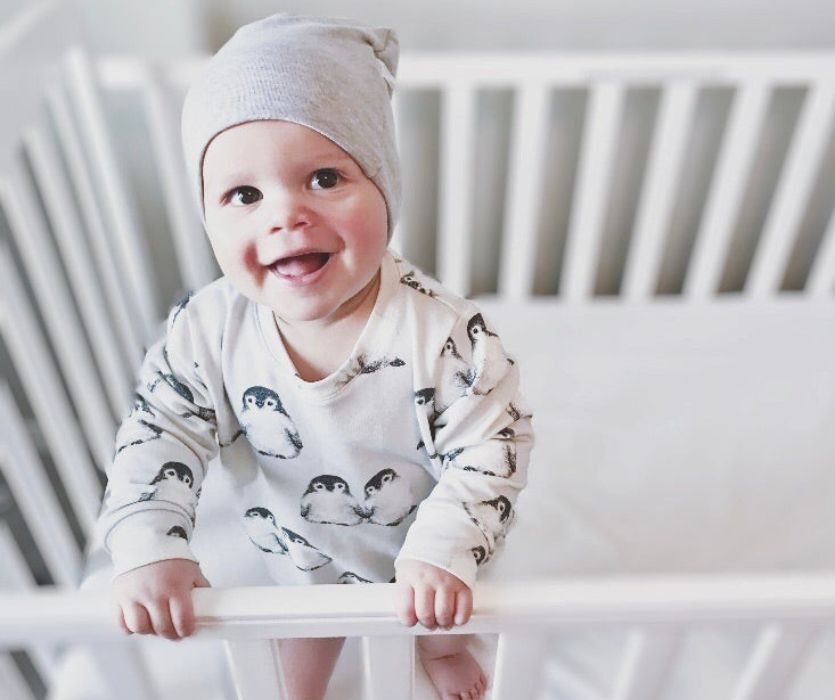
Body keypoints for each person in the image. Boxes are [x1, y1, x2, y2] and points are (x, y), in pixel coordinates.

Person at [97, 12, 534, 700]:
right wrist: (149, 544)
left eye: (324, 178)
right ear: (208, 217)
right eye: (244, 194)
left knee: (443, 620)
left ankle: (442, 652)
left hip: (420, 549)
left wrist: (441, 552)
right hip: (296, 557)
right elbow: (160, 433)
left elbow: (491, 448)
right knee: (287, 660)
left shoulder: (441, 335)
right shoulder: (208, 329)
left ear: (385, 189)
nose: (285, 215)